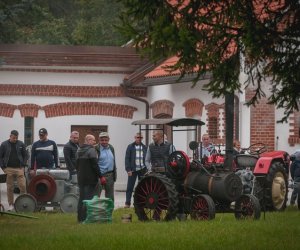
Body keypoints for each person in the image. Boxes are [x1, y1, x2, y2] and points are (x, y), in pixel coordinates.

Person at [76, 134, 104, 222]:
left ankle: (79, 218)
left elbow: (76, 165)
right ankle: (85, 218)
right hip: (90, 180)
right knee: (88, 199)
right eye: (93, 140)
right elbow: (95, 165)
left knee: (81, 198)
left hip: (80, 179)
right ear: (88, 140)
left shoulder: (78, 150)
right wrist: (101, 176)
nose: (95, 142)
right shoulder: (91, 150)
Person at [0, 130, 27, 211]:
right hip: (8, 168)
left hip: (19, 168)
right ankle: (11, 204)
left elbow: (26, 155)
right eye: (14, 138)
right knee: (10, 188)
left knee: (22, 186)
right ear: (10, 136)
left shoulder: (21, 144)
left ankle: (22, 203)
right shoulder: (4, 144)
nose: (15, 139)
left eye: (16, 138)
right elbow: (0, 157)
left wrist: (23, 166)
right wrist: (3, 168)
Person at [124, 132, 147, 208]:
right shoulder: (130, 146)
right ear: (135, 137)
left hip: (142, 169)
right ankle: (127, 203)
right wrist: (128, 170)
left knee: (142, 187)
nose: (139, 139)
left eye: (140, 138)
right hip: (133, 170)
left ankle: (140, 203)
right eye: (138, 137)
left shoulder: (144, 147)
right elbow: (127, 159)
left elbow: (147, 158)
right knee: (130, 187)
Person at [95, 132, 117, 201]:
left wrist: (114, 174)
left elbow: (113, 161)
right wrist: (99, 176)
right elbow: (94, 164)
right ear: (99, 139)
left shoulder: (111, 147)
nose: (104, 142)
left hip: (110, 175)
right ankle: (94, 210)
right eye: (102, 140)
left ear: (108, 139)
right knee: (96, 195)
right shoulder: (95, 148)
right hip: (99, 175)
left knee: (110, 197)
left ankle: (109, 211)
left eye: (106, 140)